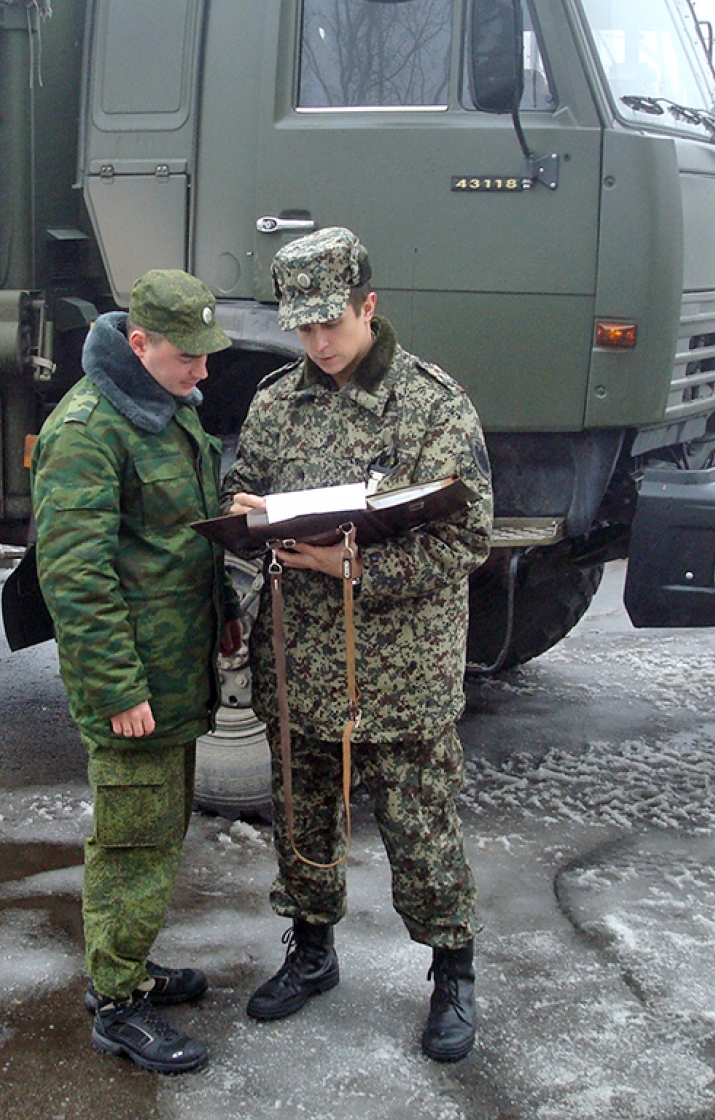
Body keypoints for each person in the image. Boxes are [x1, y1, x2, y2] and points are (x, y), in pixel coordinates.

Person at [222, 227, 495, 1062]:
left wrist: (357, 565)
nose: (318, 343)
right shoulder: (276, 401)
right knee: (302, 816)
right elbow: (246, 487)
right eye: (302, 328)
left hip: (400, 674)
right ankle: (311, 953)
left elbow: (467, 539)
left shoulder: (432, 405)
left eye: (331, 324)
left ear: (369, 306)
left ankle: (453, 974)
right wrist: (245, 515)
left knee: (421, 829)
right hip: (299, 661)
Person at [30, 269, 242, 1075]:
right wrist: (118, 688)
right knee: (131, 844)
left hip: (175, 670)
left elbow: (188, 532)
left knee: (158, 831)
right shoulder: (88, 430)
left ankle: (129, 965)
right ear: (141, 343)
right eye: (190, 355)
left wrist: (222, 605)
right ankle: (117, 1004)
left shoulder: (166, 410)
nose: (204, 372)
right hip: (136, 683)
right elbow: (75, 577)